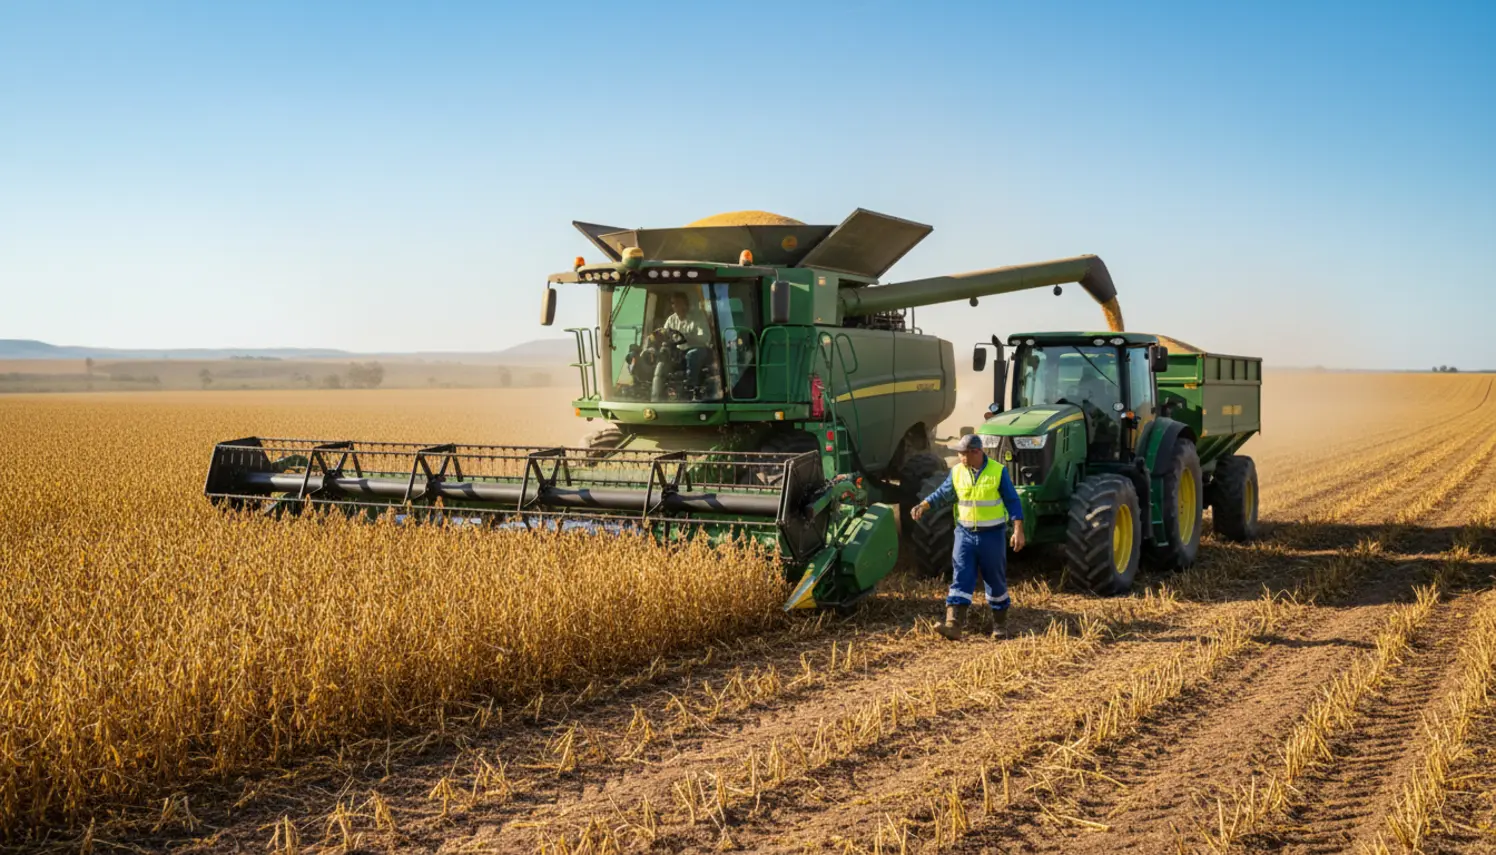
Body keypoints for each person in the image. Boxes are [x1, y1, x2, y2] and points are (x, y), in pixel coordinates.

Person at [910, 434, 1026, 640]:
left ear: (977, 452)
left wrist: (1018, 530)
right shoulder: (956, 472)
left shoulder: (998, 472)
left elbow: (1012, 501)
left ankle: (1000, 626)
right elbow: (942, 494)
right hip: (964, 534)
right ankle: (953, 625)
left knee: (994, 579)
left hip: (992, 535)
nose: (960, 457)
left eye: (964, 453)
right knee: (961, 577)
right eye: (959, 453)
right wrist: (923, 505)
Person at [652, 291, 714, 400]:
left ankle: (691, 389)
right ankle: (656, 393)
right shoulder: (671, 319)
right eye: (673, 303)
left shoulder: (698, 317)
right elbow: (665, 333)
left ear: (686, 303)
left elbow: (705, 338)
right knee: (661, 355)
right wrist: (659, 336)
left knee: (692, 355)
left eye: (678, 303)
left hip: (698, 349)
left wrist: (688, 337)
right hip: (678, 352)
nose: (675, 306)